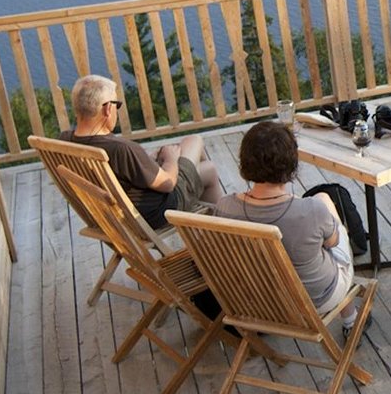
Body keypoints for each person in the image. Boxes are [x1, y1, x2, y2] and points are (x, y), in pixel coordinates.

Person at [212, 120, 365, 338]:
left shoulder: (224, 207)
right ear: (291, 164)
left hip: (256, 302)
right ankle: (351, 318)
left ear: (245, 163)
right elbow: (332, 243)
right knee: (325, 204)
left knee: (313, 235)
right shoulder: (311, 210)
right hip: (315, 301)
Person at [61, 74, 223, 229]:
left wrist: (147, 160)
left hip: (112, 217)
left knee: (195, 153)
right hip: (153, 213)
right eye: (117, 105)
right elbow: (167, 184)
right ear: (108, 109)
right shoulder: (121, 149)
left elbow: (121, 173)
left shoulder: (64, 141)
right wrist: (171, 159)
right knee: (202, 156)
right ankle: (224, 232)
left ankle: (210, 224)